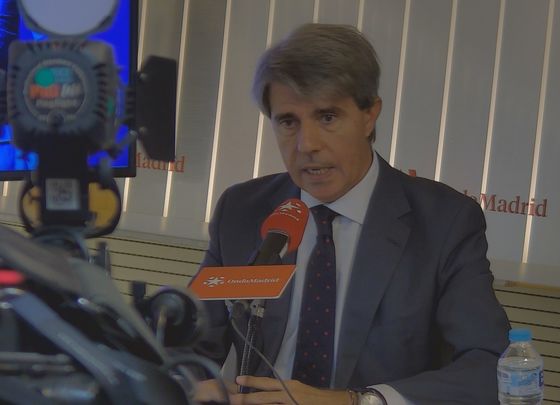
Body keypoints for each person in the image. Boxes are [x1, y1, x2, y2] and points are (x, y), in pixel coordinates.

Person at [194, 23, 510, 405]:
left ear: (369, 115)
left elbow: (491, 366)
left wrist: (356, 402)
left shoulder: (444, 222)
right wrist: (187, 384)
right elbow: (187, 346)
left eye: (327, 117)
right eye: (288, 122)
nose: (306, 145)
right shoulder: (242, 210)